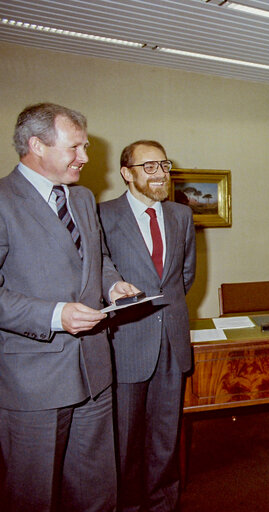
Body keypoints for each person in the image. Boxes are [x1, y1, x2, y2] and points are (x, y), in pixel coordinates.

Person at [0, 103, 139, 511]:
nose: (86, 158)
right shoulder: (3, 201)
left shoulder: (81, 199)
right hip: (33, 382)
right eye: (75, 148)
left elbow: (96, 260)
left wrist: (113, 286)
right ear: (36, 145)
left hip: (94, 372)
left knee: (98, 491)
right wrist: (54, 315)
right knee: (33, 495)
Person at [99, 140, 196, 512]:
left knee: (165, 439)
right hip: (127, 343)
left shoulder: (181, 216)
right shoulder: (102, 215)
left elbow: (185, 276)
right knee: (125, 441)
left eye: (165, 165)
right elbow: (98, 271)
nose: (161, 174)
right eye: (149, 167)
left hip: (172, 341)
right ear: (127, 173)